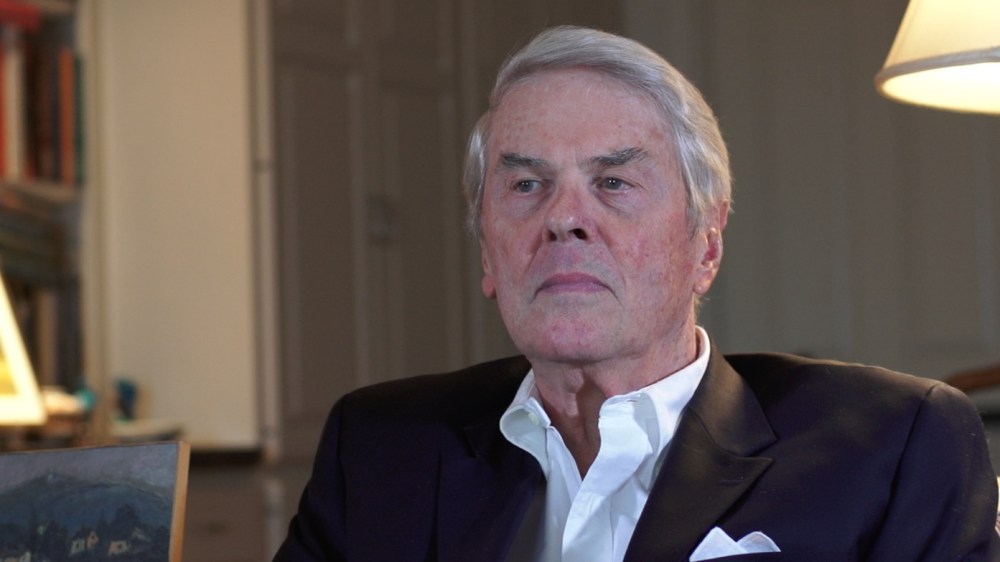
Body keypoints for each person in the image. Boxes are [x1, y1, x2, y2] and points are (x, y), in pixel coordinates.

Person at [273, 26, 1000, 561]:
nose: (563, 218)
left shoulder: (893, 447)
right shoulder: (379, 448)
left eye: (614, 182)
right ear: (487, 251)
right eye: (525, 184)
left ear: (706, 245)